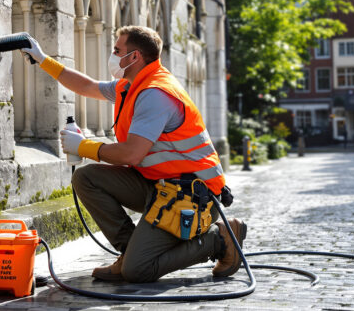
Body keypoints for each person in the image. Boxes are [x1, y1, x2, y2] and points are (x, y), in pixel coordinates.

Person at [19, 26, 247, 283]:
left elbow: (131, 155)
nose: (113, 55)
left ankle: (219, 240)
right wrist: (42, 59)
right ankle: (130, 253)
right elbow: (88, 86)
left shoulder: (155, 93)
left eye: (117, 50)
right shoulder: (131, 86)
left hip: (194, 197)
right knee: (86, 178)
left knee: (138, 271)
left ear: (135, 57)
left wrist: (83, 146)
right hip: (160, 186)